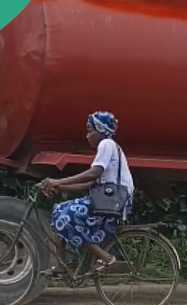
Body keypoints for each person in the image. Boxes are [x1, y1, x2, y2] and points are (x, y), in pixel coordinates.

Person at [38, 111, 134, 274]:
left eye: (90, 130)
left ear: (101, 130)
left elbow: (94, 173)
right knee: (58, 210)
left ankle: (106, 258)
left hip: (112, 200)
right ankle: (62, 266)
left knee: (65, 216)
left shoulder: (106, 144)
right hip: (108, 198)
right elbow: (89, 184)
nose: (87, 135)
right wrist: (60, 187)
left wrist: (57, 182)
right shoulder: (108, 147)